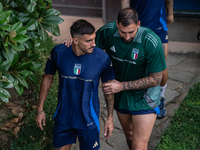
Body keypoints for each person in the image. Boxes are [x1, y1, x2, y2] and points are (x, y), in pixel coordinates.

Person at [64, 8, 166, 150]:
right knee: (129, 136)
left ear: (138, 24)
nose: (127, 36)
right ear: (117, 24)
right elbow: (88, 47)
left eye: (131, 32)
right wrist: (75, 43)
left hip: (145, 97)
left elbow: (156, 79)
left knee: (139, 146)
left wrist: (122, 86)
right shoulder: (107, 31)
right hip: (120, 96)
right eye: (122, 31)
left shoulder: (151, 41)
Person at [35, 19, 115, 150]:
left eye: (94, 39)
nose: (94, 44)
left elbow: (108, 88)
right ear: (75, 41)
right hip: (64, 117)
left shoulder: (102, 58)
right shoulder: (59, 52)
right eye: (88, 41)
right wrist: (40, 109)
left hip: (89, 119)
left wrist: (110, 118)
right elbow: (48, 77)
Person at [121, 0, 174, 118]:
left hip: (158, 26)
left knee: (161, 63)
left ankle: (160, 97)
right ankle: (139, 95)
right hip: (136, 27)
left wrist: (170, 13)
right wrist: (124, 20)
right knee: (137, 62)